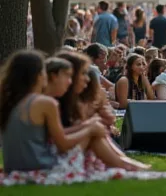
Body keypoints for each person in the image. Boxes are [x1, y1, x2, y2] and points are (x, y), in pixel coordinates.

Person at [0, 50, 149, 172]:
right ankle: (128, 165)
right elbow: (62, 143)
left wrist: (89, 125)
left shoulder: (18, 102)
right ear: (41, 76)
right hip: (41, 167)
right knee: (93, 133)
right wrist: (89, 128)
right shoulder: (44, 102)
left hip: (20, 166)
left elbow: (54, 136)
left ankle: (127, 164)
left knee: (93, 129)